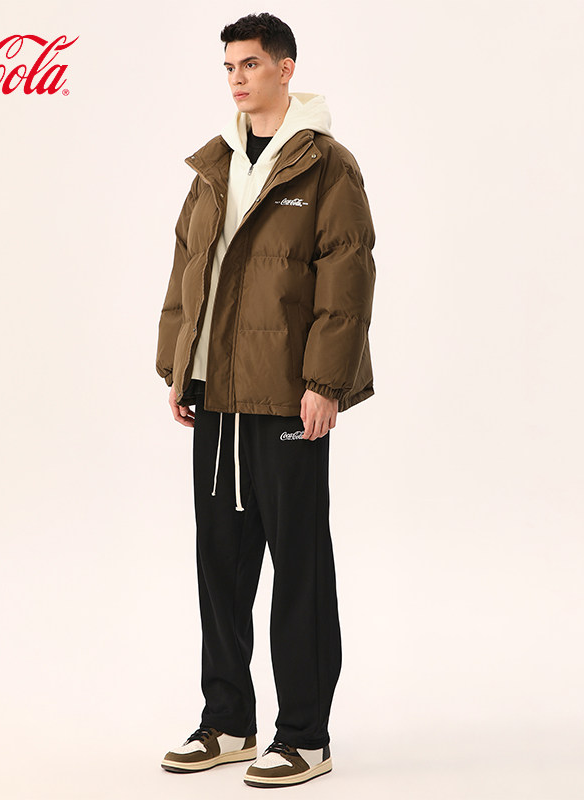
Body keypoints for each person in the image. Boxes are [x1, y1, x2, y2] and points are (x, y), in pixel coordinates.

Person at [155, 11, 376, 789]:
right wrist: (177, 369)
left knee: (299, 565)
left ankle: (305, 736)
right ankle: (227, 723)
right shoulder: (215, 164)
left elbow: (346, 279)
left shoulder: (326, 167)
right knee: (220, 565)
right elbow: (188, 271)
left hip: (287, 398)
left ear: (286, 68)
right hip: (217, 396)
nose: (237, 79)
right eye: (229, 66)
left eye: (249, 64)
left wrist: (325, 383)